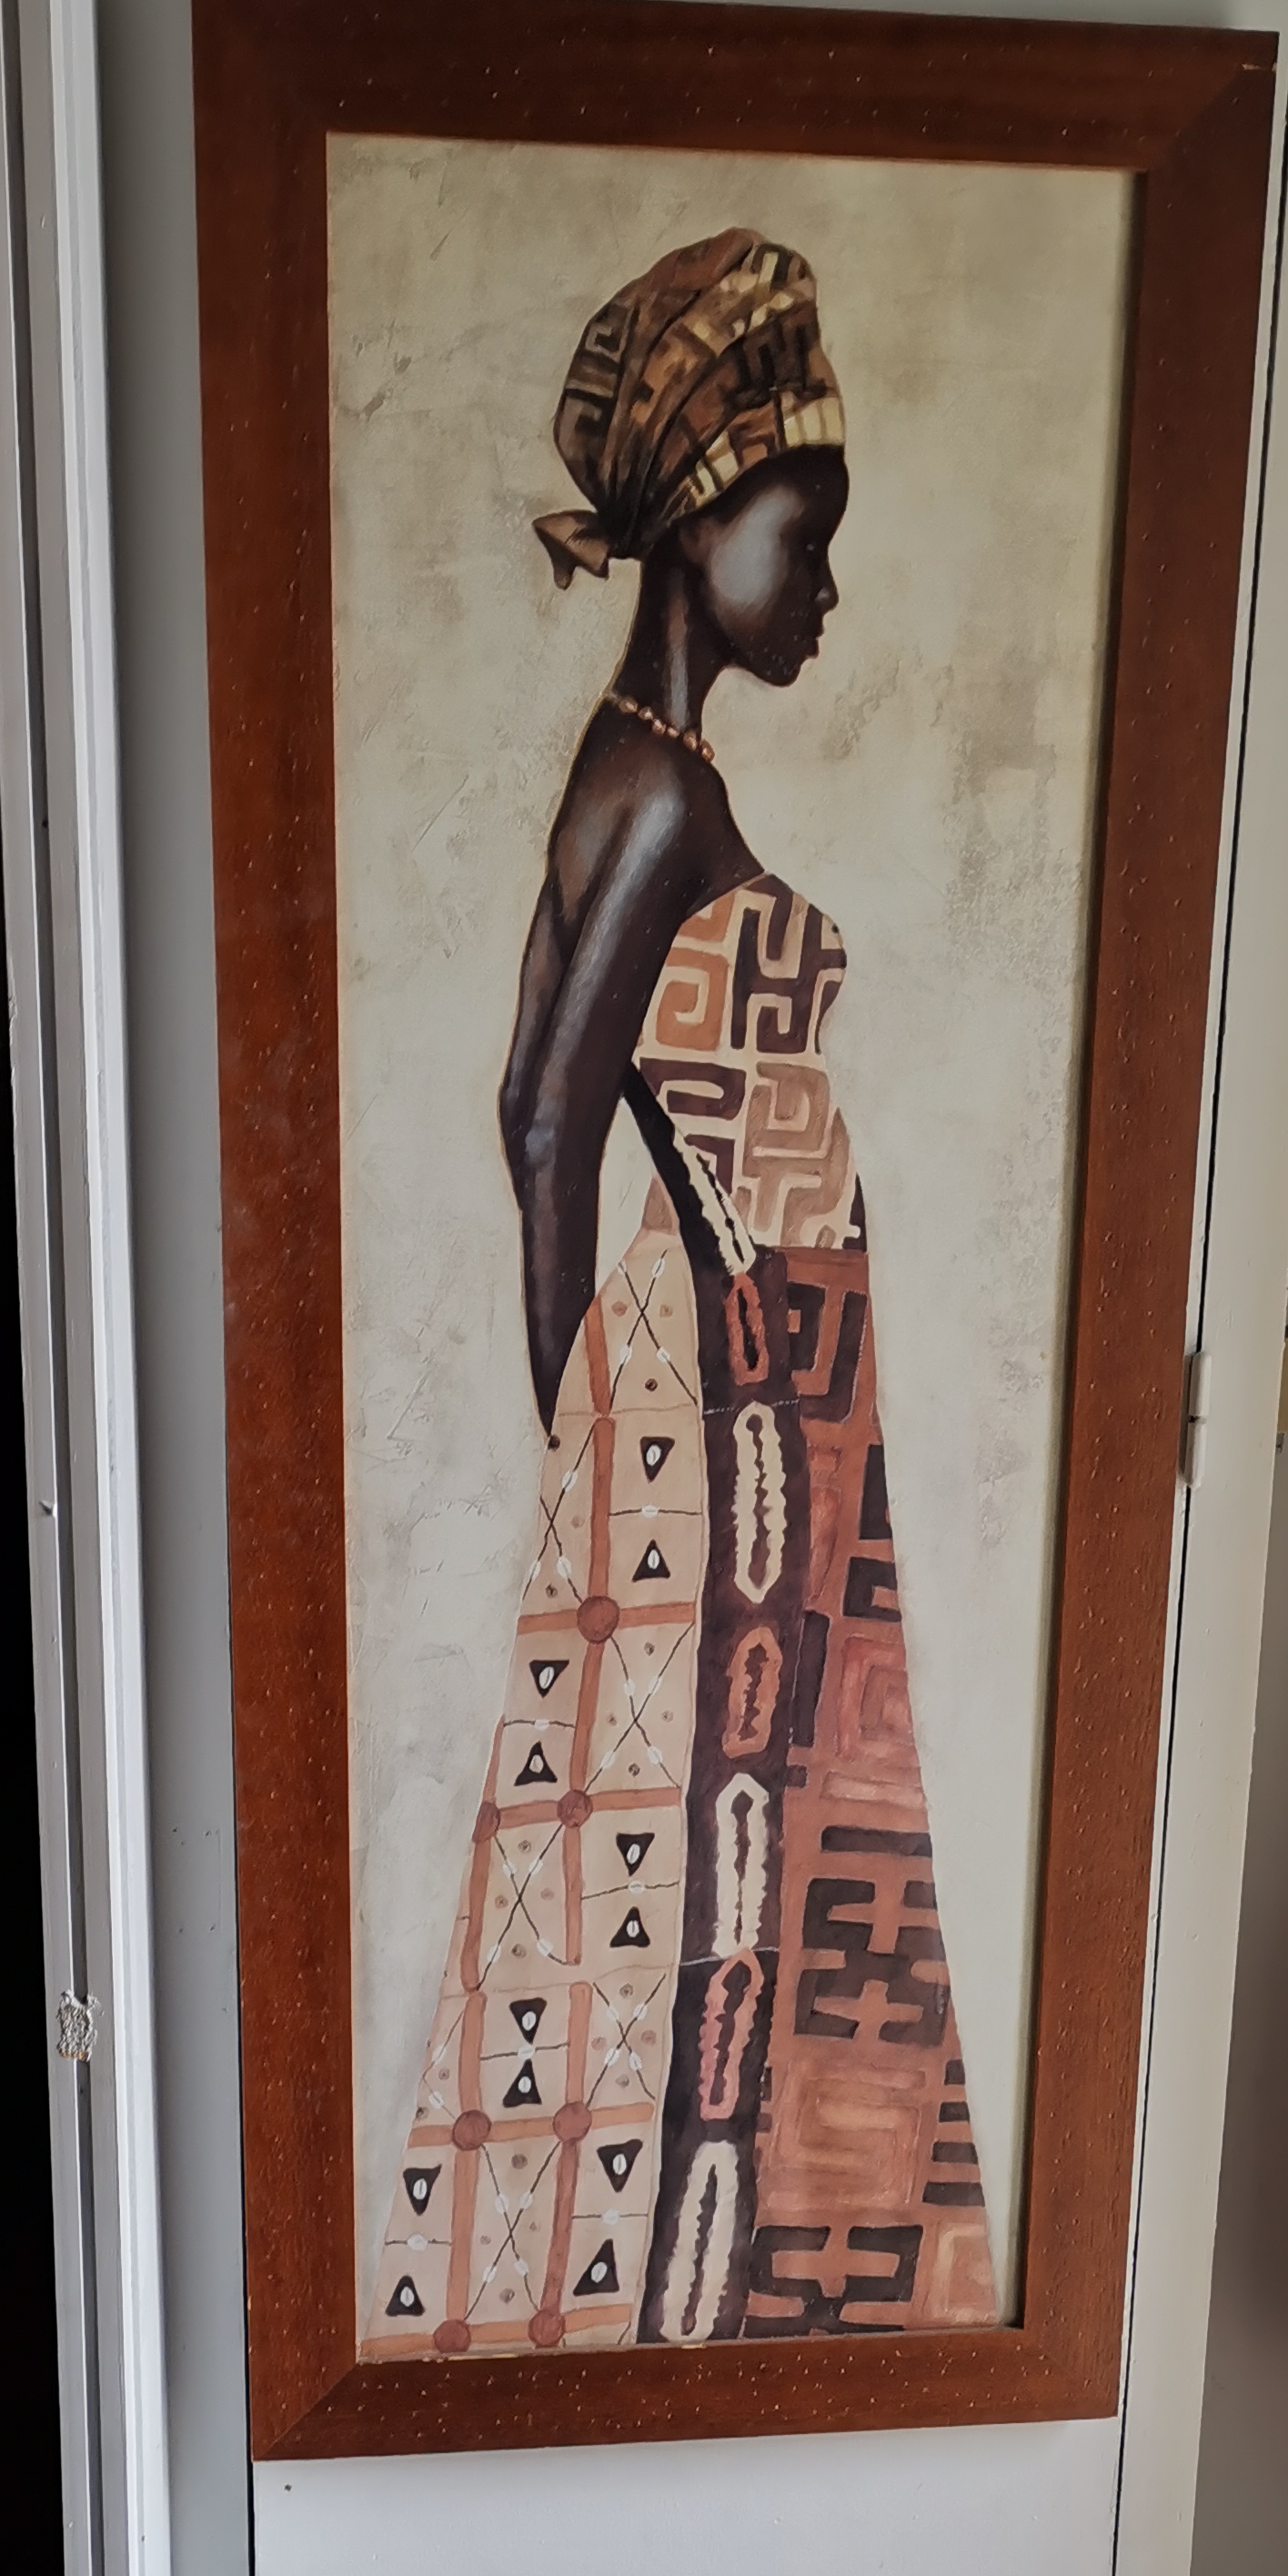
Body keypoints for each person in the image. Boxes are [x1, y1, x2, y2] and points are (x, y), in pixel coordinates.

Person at [366, 230, 1000, 2362]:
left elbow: (522, 1097)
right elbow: (550, 1116)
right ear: (702, 523)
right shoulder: (657, 792)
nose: (821, 588)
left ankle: (733, 2312)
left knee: (756, 1876)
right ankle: (717, 2320)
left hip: (749, 1379)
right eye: (798, 539)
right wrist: (600, 1432)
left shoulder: (633, 766)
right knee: (744, 1869)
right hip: (739, 1390)